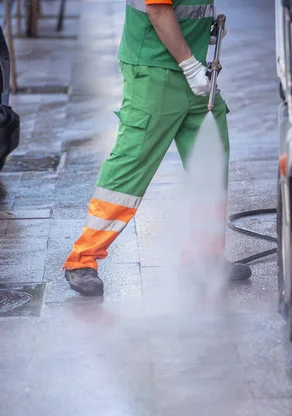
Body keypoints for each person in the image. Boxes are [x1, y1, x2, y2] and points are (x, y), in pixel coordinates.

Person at [64, 0, 252, 297]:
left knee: (212, 161)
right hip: (155, 70)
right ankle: (82, 258)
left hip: (194, 68)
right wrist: (190, 66)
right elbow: (157, 9)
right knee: (132, 162)